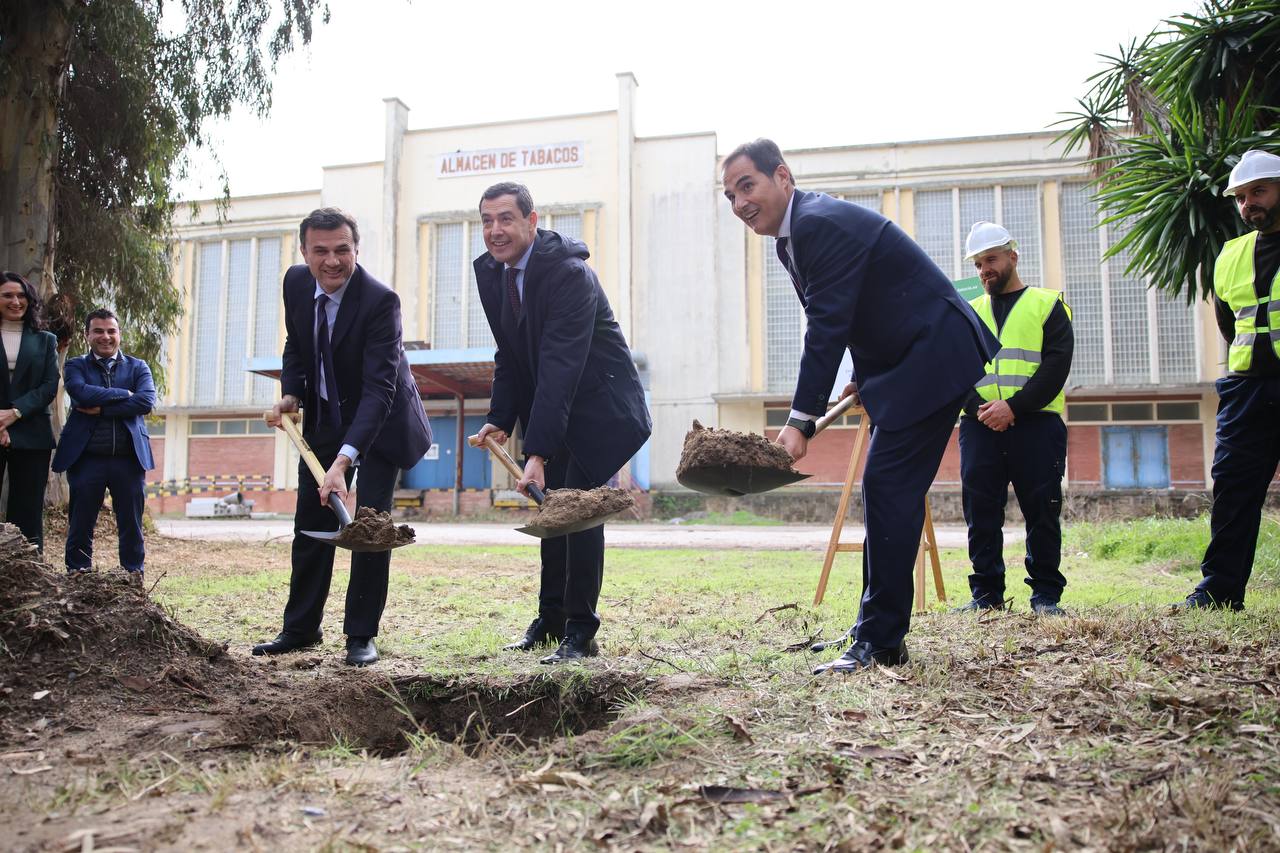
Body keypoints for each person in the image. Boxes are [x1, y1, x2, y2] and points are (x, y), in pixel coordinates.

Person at [721, 139, 998, 673]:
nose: (739, 204)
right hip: (907, 362)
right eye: (729, 195)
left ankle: (882, 642)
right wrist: (862, 380)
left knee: (889, 488)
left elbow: (827, 327)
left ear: (782, 176)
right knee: (885, 490)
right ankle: (873, 627)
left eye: (747, 186)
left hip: (934, 356)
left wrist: (800, 419)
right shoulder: (792, 237)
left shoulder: (816, 224)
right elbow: (859, 310)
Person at [471, 182, 650, 664]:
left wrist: (538, 453)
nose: (495, 230)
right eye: (487, 220)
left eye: (506, 218)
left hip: (599, 409)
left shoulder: (570, 274)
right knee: (552, 514)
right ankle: (550, 620)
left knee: (576, 514)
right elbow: (511, 352)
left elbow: (560, 363)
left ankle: (580, 631)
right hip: (554, 406)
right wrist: (499, 419)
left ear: (532, 221)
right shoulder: (493, 273)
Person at [255, 208, 432, 666]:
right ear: (304, 252)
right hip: (323, 419)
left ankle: (360, 636)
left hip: (381, 422)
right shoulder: (296, 283)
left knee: (370, 530)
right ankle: (300, 628)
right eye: (321, 251)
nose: (332, 261)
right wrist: (292, 393)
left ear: (356, 250)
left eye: (342, 250)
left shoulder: (380, 301)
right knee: (310, 524)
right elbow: (296, 343)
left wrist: (345, 460)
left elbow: (380, 389)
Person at [953, 223, 1074, 617]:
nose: (984, 269)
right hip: (979, 424)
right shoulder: (969, 310)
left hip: (1035, 423)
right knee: (981, 511)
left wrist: (1014, 408)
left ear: (1012, 257)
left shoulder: (1047, 304)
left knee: (1042, 510)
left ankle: (1045, 596)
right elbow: (953, 369)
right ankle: (987, 594)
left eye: (991, 259)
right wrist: (978, 409)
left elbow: (1056, 366)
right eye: (978, 263)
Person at [1177, 149, 1280, 611]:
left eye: (1258, 192)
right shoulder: (1231, 254)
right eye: (1240, 197)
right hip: (1247, 389)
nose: (1247, 205)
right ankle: (1219, 590)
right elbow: (1229, 321)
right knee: (1233, 487)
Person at [52, 309, 155, 578]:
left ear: (119, 334)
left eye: (111, 331)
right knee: (80, 525)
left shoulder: (138, 367)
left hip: (129, 459)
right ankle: (78, 578)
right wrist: (123, 395)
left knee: (131, 526)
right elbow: (79, 393)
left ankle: (133, 580)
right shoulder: (76, 366)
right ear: (87, 335)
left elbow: (145, 402)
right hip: (86, 459)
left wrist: (102, 409)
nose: (105, 336)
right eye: (98, 331)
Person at [0, 272, 60, 552]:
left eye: (21, 295)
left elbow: (49, 386)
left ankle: (29, 572)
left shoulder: (46, 340)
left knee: (28, 510)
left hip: (32, 432)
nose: (15, 301)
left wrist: (14, 414)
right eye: (7, 295)